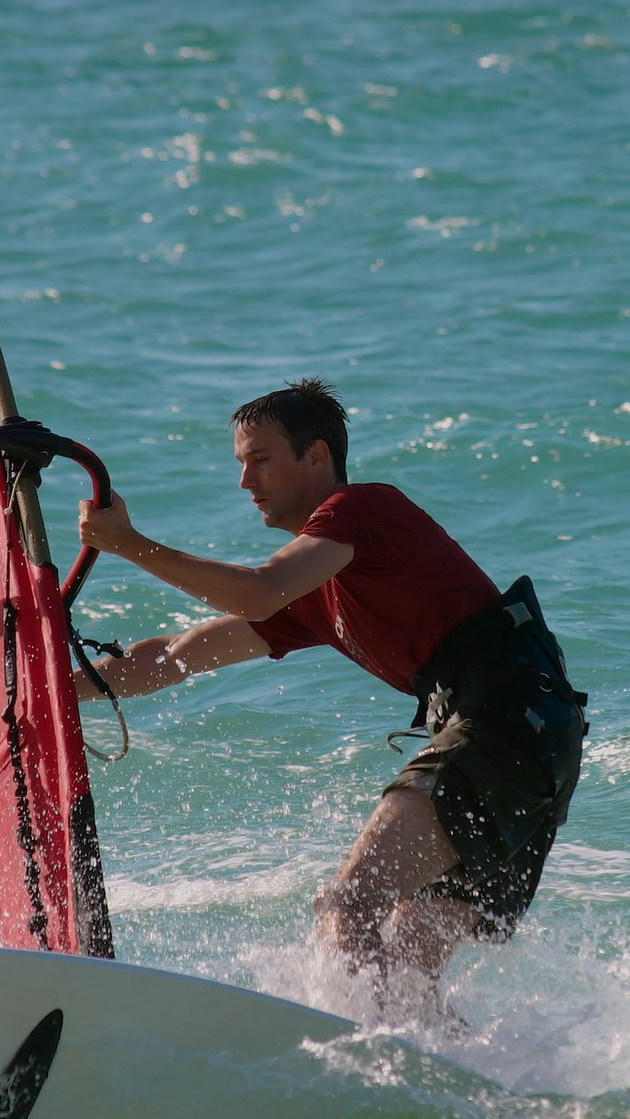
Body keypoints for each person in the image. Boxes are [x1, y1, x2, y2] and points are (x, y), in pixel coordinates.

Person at [75, 379, 586, 996]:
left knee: (348, 907)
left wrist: (128, 545)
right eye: (241, 465)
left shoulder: (363, 509)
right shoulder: (315, 593)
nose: (245, 483)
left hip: (504, 719)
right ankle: (439, 1079)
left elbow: (258, 589)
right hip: (538, 747)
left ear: (317, 455)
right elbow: (172, 658)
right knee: (407, 974)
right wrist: (45, 688)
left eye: (260, 460)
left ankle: (357, 1054)